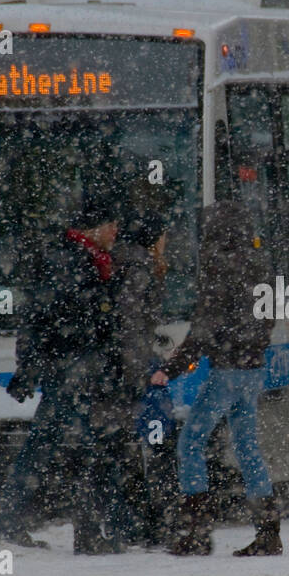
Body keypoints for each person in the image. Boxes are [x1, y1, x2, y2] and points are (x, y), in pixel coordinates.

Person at [0, 189, 128, 555]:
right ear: (93, 227)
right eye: (111, 224)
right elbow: (49, 319)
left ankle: (12, 521)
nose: (116, 230)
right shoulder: (72, 261)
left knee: (50, 446)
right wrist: (36, 365)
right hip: (70, 372)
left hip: (75, 370)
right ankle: (84, 530)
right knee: (77, 449)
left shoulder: (87, 259)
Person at [151, 200, 276, 557]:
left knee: (190, 442)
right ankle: (268, 532)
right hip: (254, 369)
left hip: (226, 372)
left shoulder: (218, 268)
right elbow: (267, 318)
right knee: (248, 447)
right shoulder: (260, 265)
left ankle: (197, 529)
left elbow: (204, 331)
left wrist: (170, 370)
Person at [114, 179, 176, 547]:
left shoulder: (134, 267)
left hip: (131, 374)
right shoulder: (139, 272)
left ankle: (141, 520)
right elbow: (131, 328)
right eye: (163, 237)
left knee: (136, 450)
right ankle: (152, 522)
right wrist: (147, 371)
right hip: (141, 377)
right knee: (155, 447)